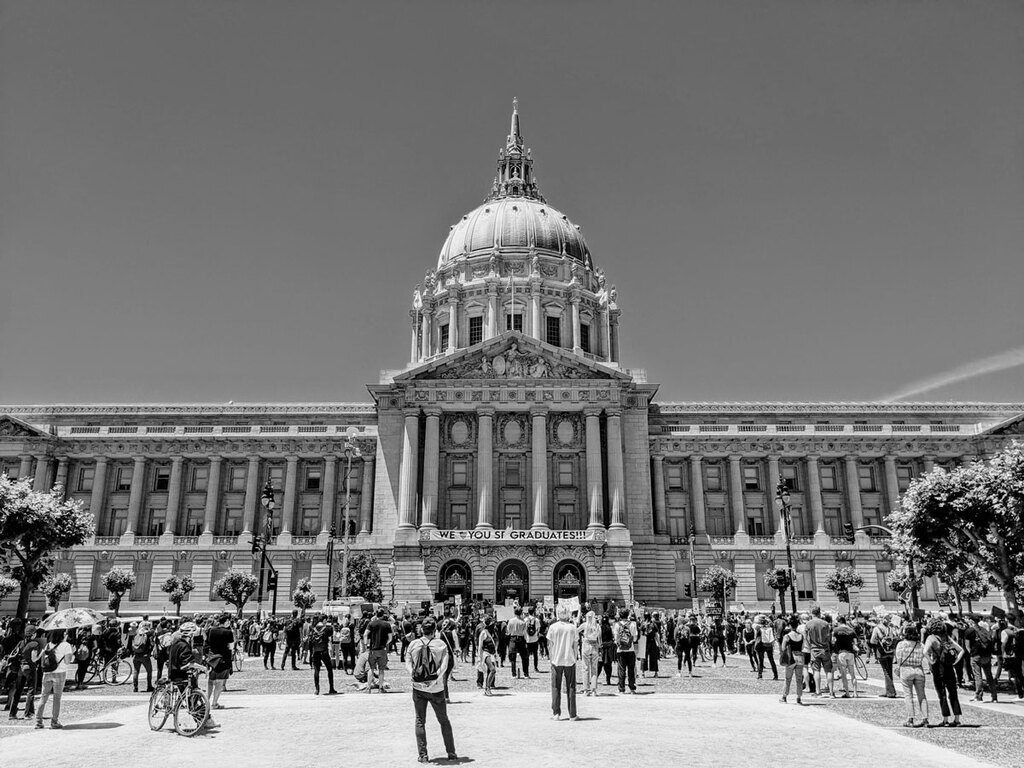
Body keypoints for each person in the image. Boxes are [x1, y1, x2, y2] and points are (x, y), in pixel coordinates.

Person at [407, 618, 456, 764]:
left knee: (420, 720)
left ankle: (423, 755)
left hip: (418, 688)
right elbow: (444, 667)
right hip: (437, 688)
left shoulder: (413, 644)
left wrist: (415, 678)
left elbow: (408, 664)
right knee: (443, 720)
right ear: (435, 630)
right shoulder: (441, 645)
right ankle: (451, 752)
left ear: (421, 629)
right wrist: (434, 681)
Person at [923, 617, 965, 727]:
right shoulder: (947, 637)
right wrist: (955, 662)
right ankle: (957, 719)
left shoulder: (931, 638)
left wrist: (931, 661)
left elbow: (925, 652)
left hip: (938, 667)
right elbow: (961, 650)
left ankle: (945, 719)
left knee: (942, 694)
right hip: (949, 667)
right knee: (953, 693)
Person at [34, 629, 75, 729]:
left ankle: (38, 721)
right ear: (62, 634)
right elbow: (67, 661)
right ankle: (54, 722)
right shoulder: (66, 645)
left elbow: (39, 657)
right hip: (59, 673)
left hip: (47, 673)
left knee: (43, 697)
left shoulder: (48, 645)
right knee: (57, 698)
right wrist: (72, 652)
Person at [547, 604, 579, 720]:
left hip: (556, 660)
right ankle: (572, 714)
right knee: (571, 687)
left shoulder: (553, 627)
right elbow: (575, 645)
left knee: (556, 687)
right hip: (569, 659)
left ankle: (556, 713)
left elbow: (550, 645)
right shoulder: (573, 627)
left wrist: (551, 659)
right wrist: (574, 657)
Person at [895, 624, 928, 728]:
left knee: (908, 696)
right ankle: (925, 719)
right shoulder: (920, 645)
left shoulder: (901, 644)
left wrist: (898, 668)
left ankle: (910, 719)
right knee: (922, 696)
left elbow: (899, 658)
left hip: (906, 669)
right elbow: (924, 655)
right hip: (918, 669)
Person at [8, 625, 42, 720]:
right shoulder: (34, 644)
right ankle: (28, 713)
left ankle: (12, 713)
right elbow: (34, 658)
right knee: (31, 690)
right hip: (30, 667)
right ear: (33, 634)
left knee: (18, 690)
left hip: (20, 668)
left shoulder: (21, 643)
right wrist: (42, 654)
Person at [964, 615, 998, 702]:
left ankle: (978, 695)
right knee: (989, 676)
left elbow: (967, 646)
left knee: (978, 676)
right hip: (986, 655)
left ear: (971, 620)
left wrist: (971, 654)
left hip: (976, 656)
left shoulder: (969, 631)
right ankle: (994, 696)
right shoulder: (984, 630)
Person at [206, 614, 234, 709]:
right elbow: (231, 647)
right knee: (219, 682)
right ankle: (214, 703)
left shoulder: (212, 630)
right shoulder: (228, 632)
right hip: (224, 658)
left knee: (210, 681)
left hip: (213, 658)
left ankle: (206, 702)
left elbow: (208, 643)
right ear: (225, 622)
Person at [804, 607, 834, 698]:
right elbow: (829, 638)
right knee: (828, 670)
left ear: (811, 613)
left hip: (814, 649)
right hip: (825, 649)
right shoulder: (826, 624)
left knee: (816, 670)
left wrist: (810, 647)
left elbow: (807, 638)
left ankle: (818, 691)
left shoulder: (808, 624)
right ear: (819, 613)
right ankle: (831, 692)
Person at [870, 614, 899, 698]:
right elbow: (896, 637)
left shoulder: (877, 628)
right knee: (889, 671)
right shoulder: (891, 628)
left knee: (886, 672)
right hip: (890, 652)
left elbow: (872, 641)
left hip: (882, 652)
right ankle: (889, 690)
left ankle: (891, 692)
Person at [364, 608, 392, 693]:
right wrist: (386, 643)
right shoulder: (387, 624)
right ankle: (380, 688)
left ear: (376, 615)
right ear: (383, 615)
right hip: (382, 649)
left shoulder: (371, 623)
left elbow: (365, 634)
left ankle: (368, 688)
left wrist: (366, 645)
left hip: (372, 649)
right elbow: (390, 638)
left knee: (371, 669)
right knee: (381, 670)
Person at [779, 615, 805, 705]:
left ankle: (784, 696)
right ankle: (799, 698)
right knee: (799, 679)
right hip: (800, 657)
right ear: (797, 625)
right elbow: (802, 647)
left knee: (788, 678)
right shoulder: (801, 636)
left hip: (791, 658)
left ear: (790, 626)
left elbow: (783, 648)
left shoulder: (787, 636)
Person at [309, 619, 339, 695]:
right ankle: (331, 688)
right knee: (329, 669)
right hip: (324, 652)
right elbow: (331, 633)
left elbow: (310, 641)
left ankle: (317, 689)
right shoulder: (326, 629)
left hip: (316, 652)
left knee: (316, 670)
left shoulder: (313, 629)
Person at [832, 615, 858, 698]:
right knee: (852, 674)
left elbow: (832, 641)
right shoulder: (851, 630)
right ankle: (855, 692)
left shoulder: (836, 630)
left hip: (841, 652)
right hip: (850, 653)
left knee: (844, 674)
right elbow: (855, 642)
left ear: (839, 622)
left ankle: (847, 692)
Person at [612, 608, 638, 694]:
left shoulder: (616, 625)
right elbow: (635, 638)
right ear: (628, 615)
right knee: (631, 669)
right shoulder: (633, 624)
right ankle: (632, 688)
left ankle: (621, 688)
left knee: (621, 670)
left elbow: (615, 639)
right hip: (630, 649)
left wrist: (620, 643)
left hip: (620, 650)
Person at [1000, 614, 1024, 699]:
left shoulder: (1005, 631)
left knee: (1015, 674)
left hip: (1010, 655)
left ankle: (1020, 693)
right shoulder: (1019, 630)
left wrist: (1003, 655)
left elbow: (1003, 644)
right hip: (1019, 654)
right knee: (1020, 674)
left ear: (1007, 620)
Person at [579, 611, 601, 695]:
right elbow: (600, 638)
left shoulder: (585, 625)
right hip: (594, 645)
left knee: (585, 668)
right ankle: (594, 690)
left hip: (586, 644)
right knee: (594, 669)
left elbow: (576, 631)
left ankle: (585, 689)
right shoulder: (597, 626)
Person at [130, 621, 155, 693]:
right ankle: (149, 686)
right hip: (145, 656)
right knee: (149, 671)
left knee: (136, 671)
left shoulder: (137, 633)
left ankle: (135, 687)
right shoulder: (148, 634)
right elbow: (151, 644)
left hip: (136, 655)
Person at [506, 607, 528, 678]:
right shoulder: (523, 622)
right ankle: (526, 673)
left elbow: (508, 631)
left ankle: (513, 674)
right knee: (524, 657)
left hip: (513, 638)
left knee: (512, 657)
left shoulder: (510, 621)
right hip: (521, 638)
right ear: (521, 613)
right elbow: (525, 632)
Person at [477, 617, 497, 695]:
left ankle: (487, 686)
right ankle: (487, 688)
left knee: (491, 671)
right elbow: (480, 646)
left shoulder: (493, 632)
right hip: (485, 653)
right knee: (493, 669)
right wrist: (479, 657)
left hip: (492, 653)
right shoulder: (483, 633)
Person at [756, 615, 779, 680]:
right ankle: (775, 675)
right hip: (769, 645)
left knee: (761, 660)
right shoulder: (770, 628)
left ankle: (760, 675)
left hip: (761, 645)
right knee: (771, 660)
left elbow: (757, 637)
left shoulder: (759, 628)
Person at [524, 607, 541, 673]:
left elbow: (524, 630)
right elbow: (538, 629)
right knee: (535, 654)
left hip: (528, 639)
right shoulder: (536, 620)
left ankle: (527, 667)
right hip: (535, 639)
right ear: (533, 612)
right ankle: (535, 667)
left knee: (527, 655)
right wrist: (536, 634)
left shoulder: (525, 620)